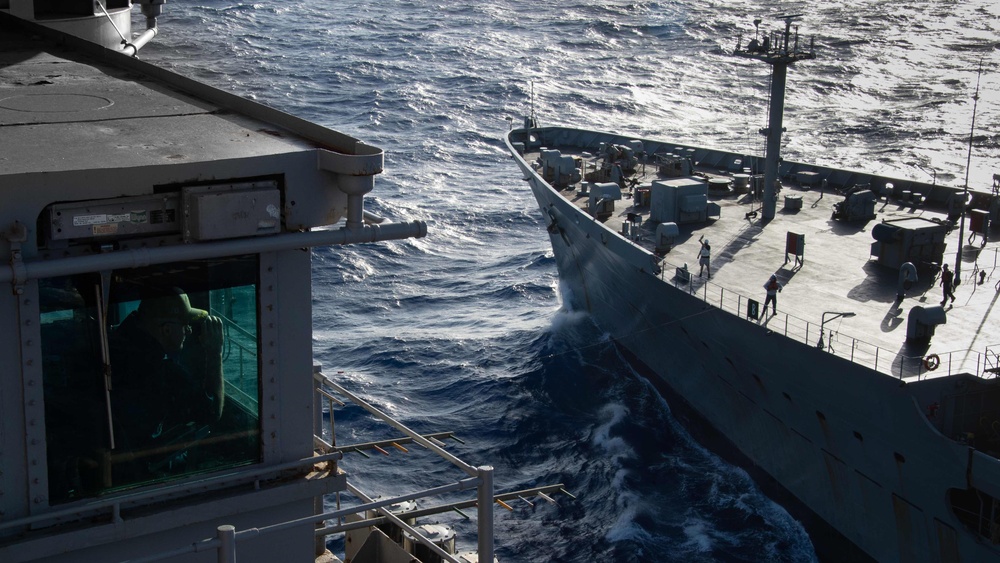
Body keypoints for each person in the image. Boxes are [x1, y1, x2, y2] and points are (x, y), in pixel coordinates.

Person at [108, 287, 225, 479]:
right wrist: (215, 352)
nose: (188, 330)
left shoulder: (117, 342)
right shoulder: (162, 370)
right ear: (167, 329)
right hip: (138, 469)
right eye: (185, 324)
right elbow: (213, 411)